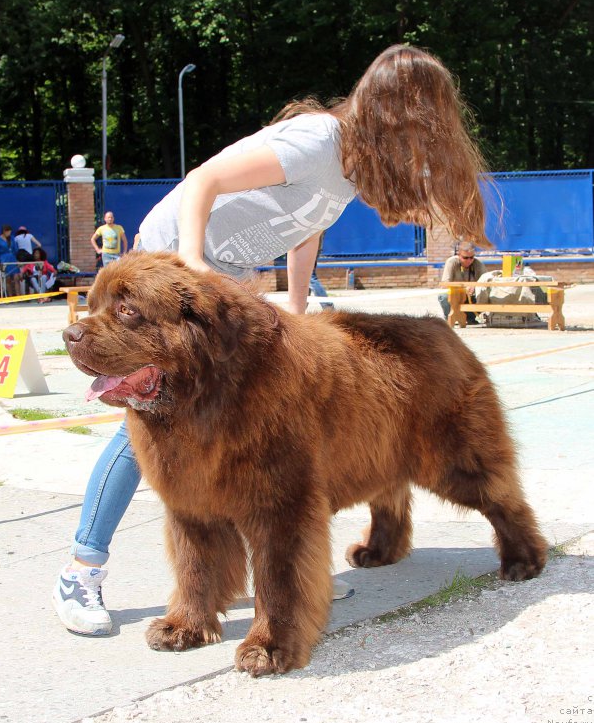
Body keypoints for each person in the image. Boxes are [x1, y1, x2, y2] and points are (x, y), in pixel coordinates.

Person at [53, 44, 490, 636]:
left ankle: (254, 576)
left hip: (226, 282)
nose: (423, 157)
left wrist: (296, 302)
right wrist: (188, 260)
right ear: (392, 121)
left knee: (234, 431)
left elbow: (303, 231)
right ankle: (83, 567)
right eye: (420, 139)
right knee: (145, 424)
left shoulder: (351, 166)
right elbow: (203, 179)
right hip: (175, 268)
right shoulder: (316, 142)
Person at [438, 241, 487, 324]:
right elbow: (445, 284)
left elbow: (485, 281)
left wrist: (475, 287)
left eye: (472, 257)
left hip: (471, 297)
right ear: (458, 255)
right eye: (465, 258)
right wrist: (463, 289)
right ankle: (450, 319)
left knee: (484, 297)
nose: (469, 260)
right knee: (443, 297)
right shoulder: (451, 262)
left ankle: (471, 318)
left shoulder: (478, 264)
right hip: (456, 295)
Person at [0, 225, 21, 298]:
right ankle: (10, 296)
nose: (9, 233)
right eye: (8, 232)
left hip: (13, 259)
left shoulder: (12, 238)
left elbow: (16, 249)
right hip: (4, 259)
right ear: (4, 231)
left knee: (16, 278)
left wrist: (17, 259)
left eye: (10, 232)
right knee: (7, 279)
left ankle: (18, 296)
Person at [309, 232, 334, 311]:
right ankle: (301, 307)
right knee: (304, 280)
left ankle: (328, 307)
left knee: (310, 278)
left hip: (308, 246)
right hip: (312, 245)